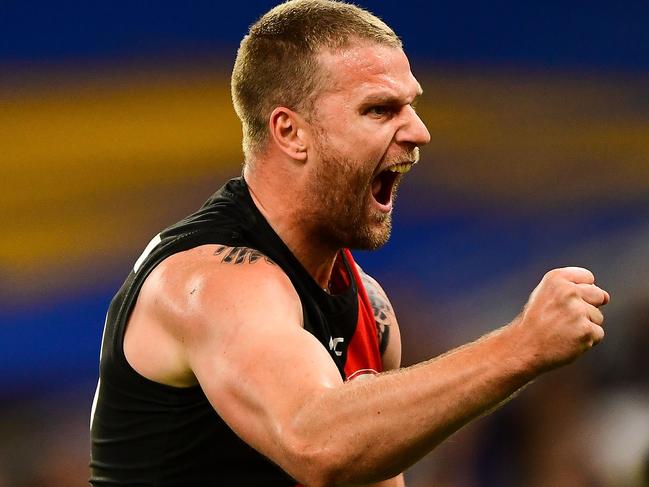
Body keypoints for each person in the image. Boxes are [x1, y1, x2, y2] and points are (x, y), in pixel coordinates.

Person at [89, 1, 610, 485]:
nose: (420, 131)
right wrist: (521, 346)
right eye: (380, 110)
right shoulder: (212, 280)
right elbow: (315, 442)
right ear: (291, 133)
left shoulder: (370, 309)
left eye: (411, 106)